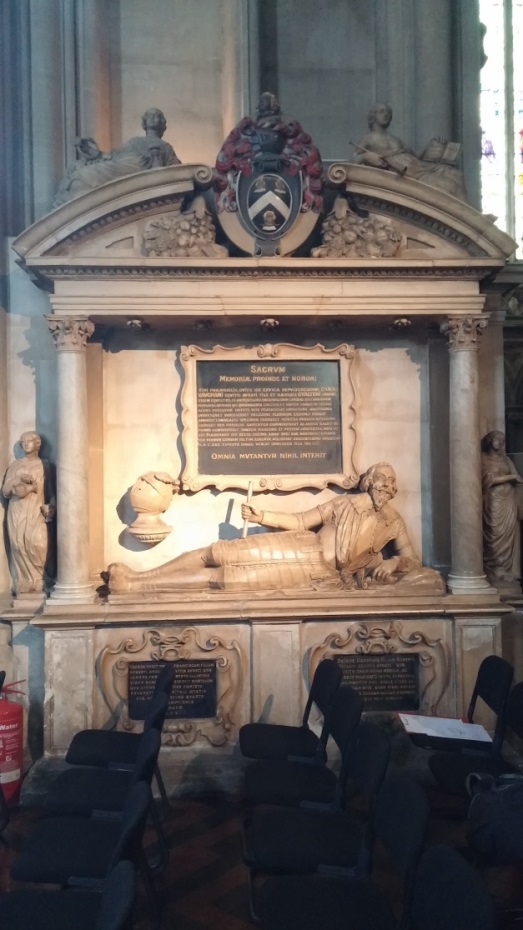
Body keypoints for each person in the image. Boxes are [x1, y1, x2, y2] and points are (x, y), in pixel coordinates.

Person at [106, 462, 443, 594]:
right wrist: (261, 516)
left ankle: (136, 588)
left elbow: (410, 559)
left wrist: (392, 562)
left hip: (316, 574)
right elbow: (300, 521)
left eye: (391, 483)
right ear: (369, 483)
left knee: (226, 579)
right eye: (381, 481)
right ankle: (140, 577)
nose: (387, 487)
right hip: (300, 545)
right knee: (217, 552)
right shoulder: (343, 505)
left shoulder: (392, 521)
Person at [54, 108, 180, 206]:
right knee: (94, 170)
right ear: (144, 123)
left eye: (157, 115)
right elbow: (115, 156)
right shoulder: (134, 141)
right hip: (127, 164)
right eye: (149, 115)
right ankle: (82, 178)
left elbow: (176, 171)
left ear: (162, 122)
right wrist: (96, 153)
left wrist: (156, 159)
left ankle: (82, 180)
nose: (153, 117)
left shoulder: (166, 147)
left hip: (140, 170)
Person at [352, 103, 467, 201]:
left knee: (456, 174)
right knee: (450, 185)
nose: (386, 114)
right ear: (373, 116)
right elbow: (352, 161)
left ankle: (471, 219)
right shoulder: (368, 139)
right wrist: (366, 156)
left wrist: (431, 146)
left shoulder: (396, 139)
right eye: (381, 111)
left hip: (418, 166)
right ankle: (467, 221)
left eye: (388, 112)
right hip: (407, 173)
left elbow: (416, 156)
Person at [1, 432, 55, 595]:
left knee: (39, 544)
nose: (26, 444)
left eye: (29, 441)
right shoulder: (15, 465)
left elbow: (51, 491)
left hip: (36, 511)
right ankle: (25, 581)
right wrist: (18, 486)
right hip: (17, 510)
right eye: (23, 441)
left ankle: (42, 578)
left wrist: (51, 506)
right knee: (19, 544)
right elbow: (5, 490)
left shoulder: (45, 465)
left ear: (37, 444)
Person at [481, 431, 523, 586]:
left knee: (509, 533)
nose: (500, 442)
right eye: (496, 439)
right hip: (493, 501)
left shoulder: (506, 460)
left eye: (502, 440)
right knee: (494, 534)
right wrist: (510, 478)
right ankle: (494, 568)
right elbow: (487, 479)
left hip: (509, 501)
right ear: (489, 441)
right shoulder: (483, 458)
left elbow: (518, 478)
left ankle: (506, 570)